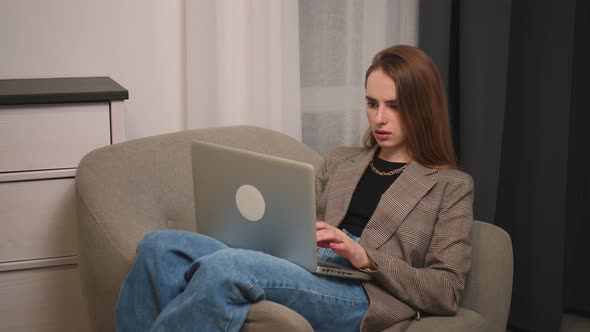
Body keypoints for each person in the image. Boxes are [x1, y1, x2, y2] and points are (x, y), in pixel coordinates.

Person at [116, 45, 474, 332]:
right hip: (310, 267)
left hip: (365, 292)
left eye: (394, 106)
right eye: (371, 103)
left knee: (228, 267)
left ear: (422, 109)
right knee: (159, 248)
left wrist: (365, 256)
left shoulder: (450, 186)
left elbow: (447, 290)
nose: (379, 118)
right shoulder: (341, 161)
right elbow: (302, 230)